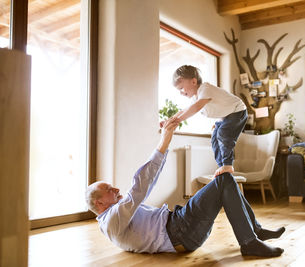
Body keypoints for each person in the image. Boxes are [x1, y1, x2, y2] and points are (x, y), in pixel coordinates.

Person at [86, 117, 285, 257]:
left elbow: (147, 184)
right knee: (224, 179)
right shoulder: (111, 221)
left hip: (181, 227)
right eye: (110, 190)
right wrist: (164, 140)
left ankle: (254, 231)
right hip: (180, 232)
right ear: (99, 202)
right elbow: (139, 189)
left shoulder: (118, 216)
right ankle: (250, 242)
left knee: (226, 179)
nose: (116, 190)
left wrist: (165, 142)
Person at [165, 65, 248, 177]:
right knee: (214, 138)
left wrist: (179, 120)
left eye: (181, 88)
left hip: (237, 111)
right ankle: (222, 166)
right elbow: (185, 110)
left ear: (194, 81)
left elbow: (196, 108)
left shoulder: (205, 89)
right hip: (225, 117)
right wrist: (170, 120)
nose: (181, 92)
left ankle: (228, 164)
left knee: (223, 134)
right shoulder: (196, 97)